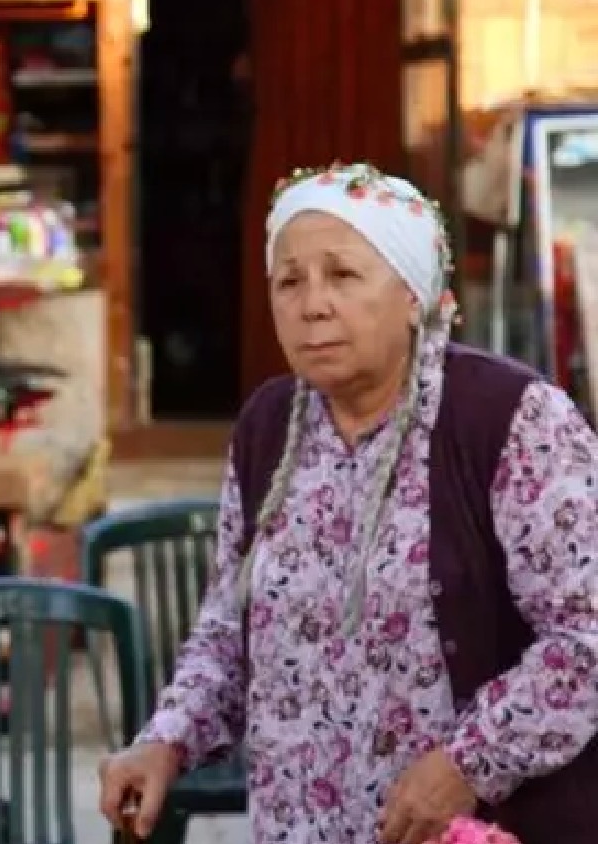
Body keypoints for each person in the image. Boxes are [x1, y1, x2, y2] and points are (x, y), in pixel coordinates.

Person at [98, 162, 598, 844]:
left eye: (342, 275)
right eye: (289, 281)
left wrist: (468, 763)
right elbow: (228, 635)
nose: (313, 305)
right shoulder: (268, 427)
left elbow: (585, 637)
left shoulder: (511, 419)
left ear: (413, 295)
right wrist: (166, 739)